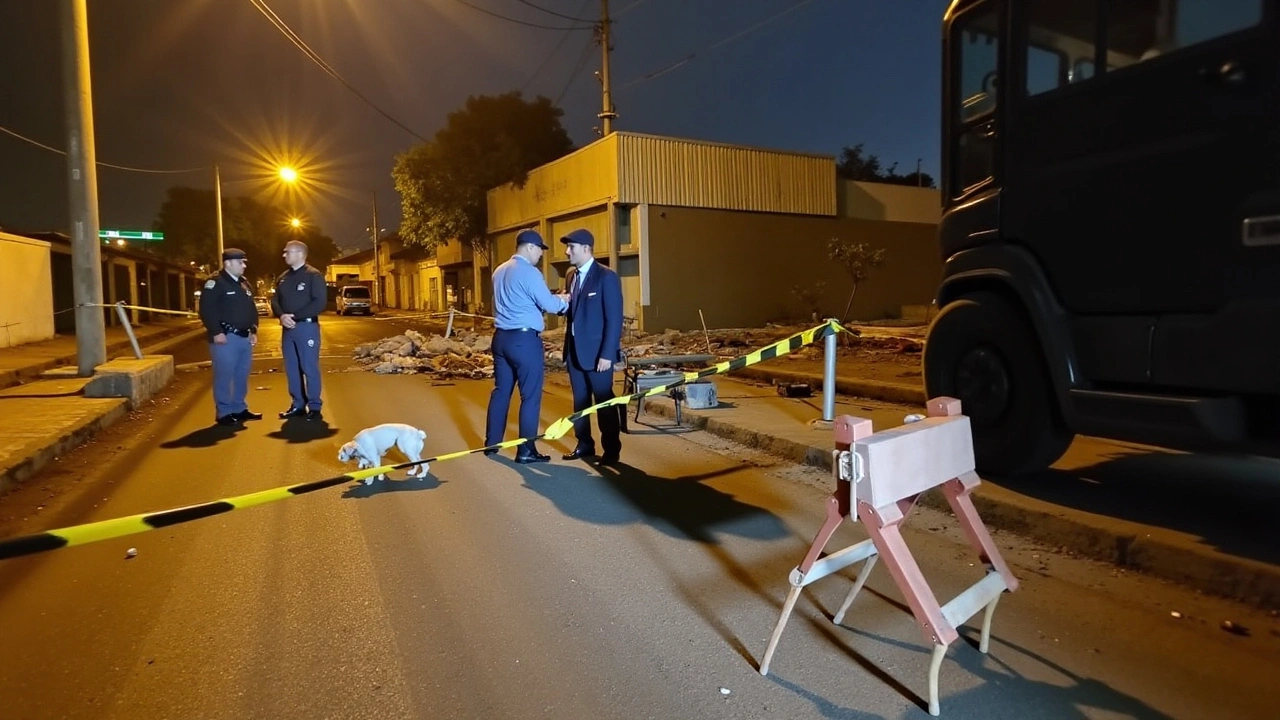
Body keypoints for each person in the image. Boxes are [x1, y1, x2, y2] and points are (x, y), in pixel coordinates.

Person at [483, 229, 569, 463]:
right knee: (530, 397)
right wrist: (565, 301)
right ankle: (526, 451)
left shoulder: (499, 270)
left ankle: (492, 444)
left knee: (501, 391)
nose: (541, 255)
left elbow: (518, 299)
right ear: (530, 247)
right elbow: (550, 305)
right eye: (540, 249)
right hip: (524, 341)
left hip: (501, 338)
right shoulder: (530, 273)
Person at [559, 229, 624, 464]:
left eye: (571, 247)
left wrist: (608, 353)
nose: (567, 251)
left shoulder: (606, 277)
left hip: (599, 355)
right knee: (580, 402)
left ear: (586, 248)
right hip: (575, 352)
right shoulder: (570, 275)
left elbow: (614, 319)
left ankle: (611, 450)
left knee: (604, 403)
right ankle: (584, 443)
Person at [198, 248, 261, 426]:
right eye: (241, 262)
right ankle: (224, 412)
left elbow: (251, 309)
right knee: (225, 376)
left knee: (241, 375)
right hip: (225, 337)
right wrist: (216, 331)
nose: (244, 265)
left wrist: (254, 330)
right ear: (228, 263)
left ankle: (239, 408)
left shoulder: (243, 283)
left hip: (244, 337)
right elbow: (206, 309)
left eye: (244, 261)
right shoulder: (215, 283)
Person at [271, 240, 328, 421]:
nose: (284, 255)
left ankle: (314, 407)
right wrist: (281, 316)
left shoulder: (313, 276)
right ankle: (297, 404)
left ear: (299, 254)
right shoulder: (283, 278)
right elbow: (275, 300)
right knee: (292, 368)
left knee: (309, 366)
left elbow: (319, 302)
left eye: (287, 251)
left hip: (306, 327)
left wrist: (294, 316)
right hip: (288, 329)